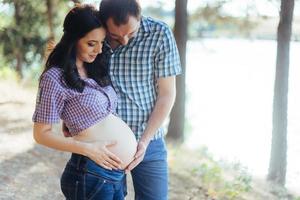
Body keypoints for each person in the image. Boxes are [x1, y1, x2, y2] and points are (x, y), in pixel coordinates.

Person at [32, 4, 137, 200]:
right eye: (91, 43)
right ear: (73, 40)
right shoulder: (54, 77)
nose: (98, 50)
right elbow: (41, 134)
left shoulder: (94, 68)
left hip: (115, 175)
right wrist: (88, 148)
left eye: (102, 42)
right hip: (90, 174)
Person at [98, 0, 182, 199]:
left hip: (148, 140)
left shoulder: (160, 34)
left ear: (140, 16)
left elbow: (167, 94)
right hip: (103, 143)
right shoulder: (94, 34)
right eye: (115, 36)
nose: (125, 41)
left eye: (131, 33)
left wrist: (144, 142)